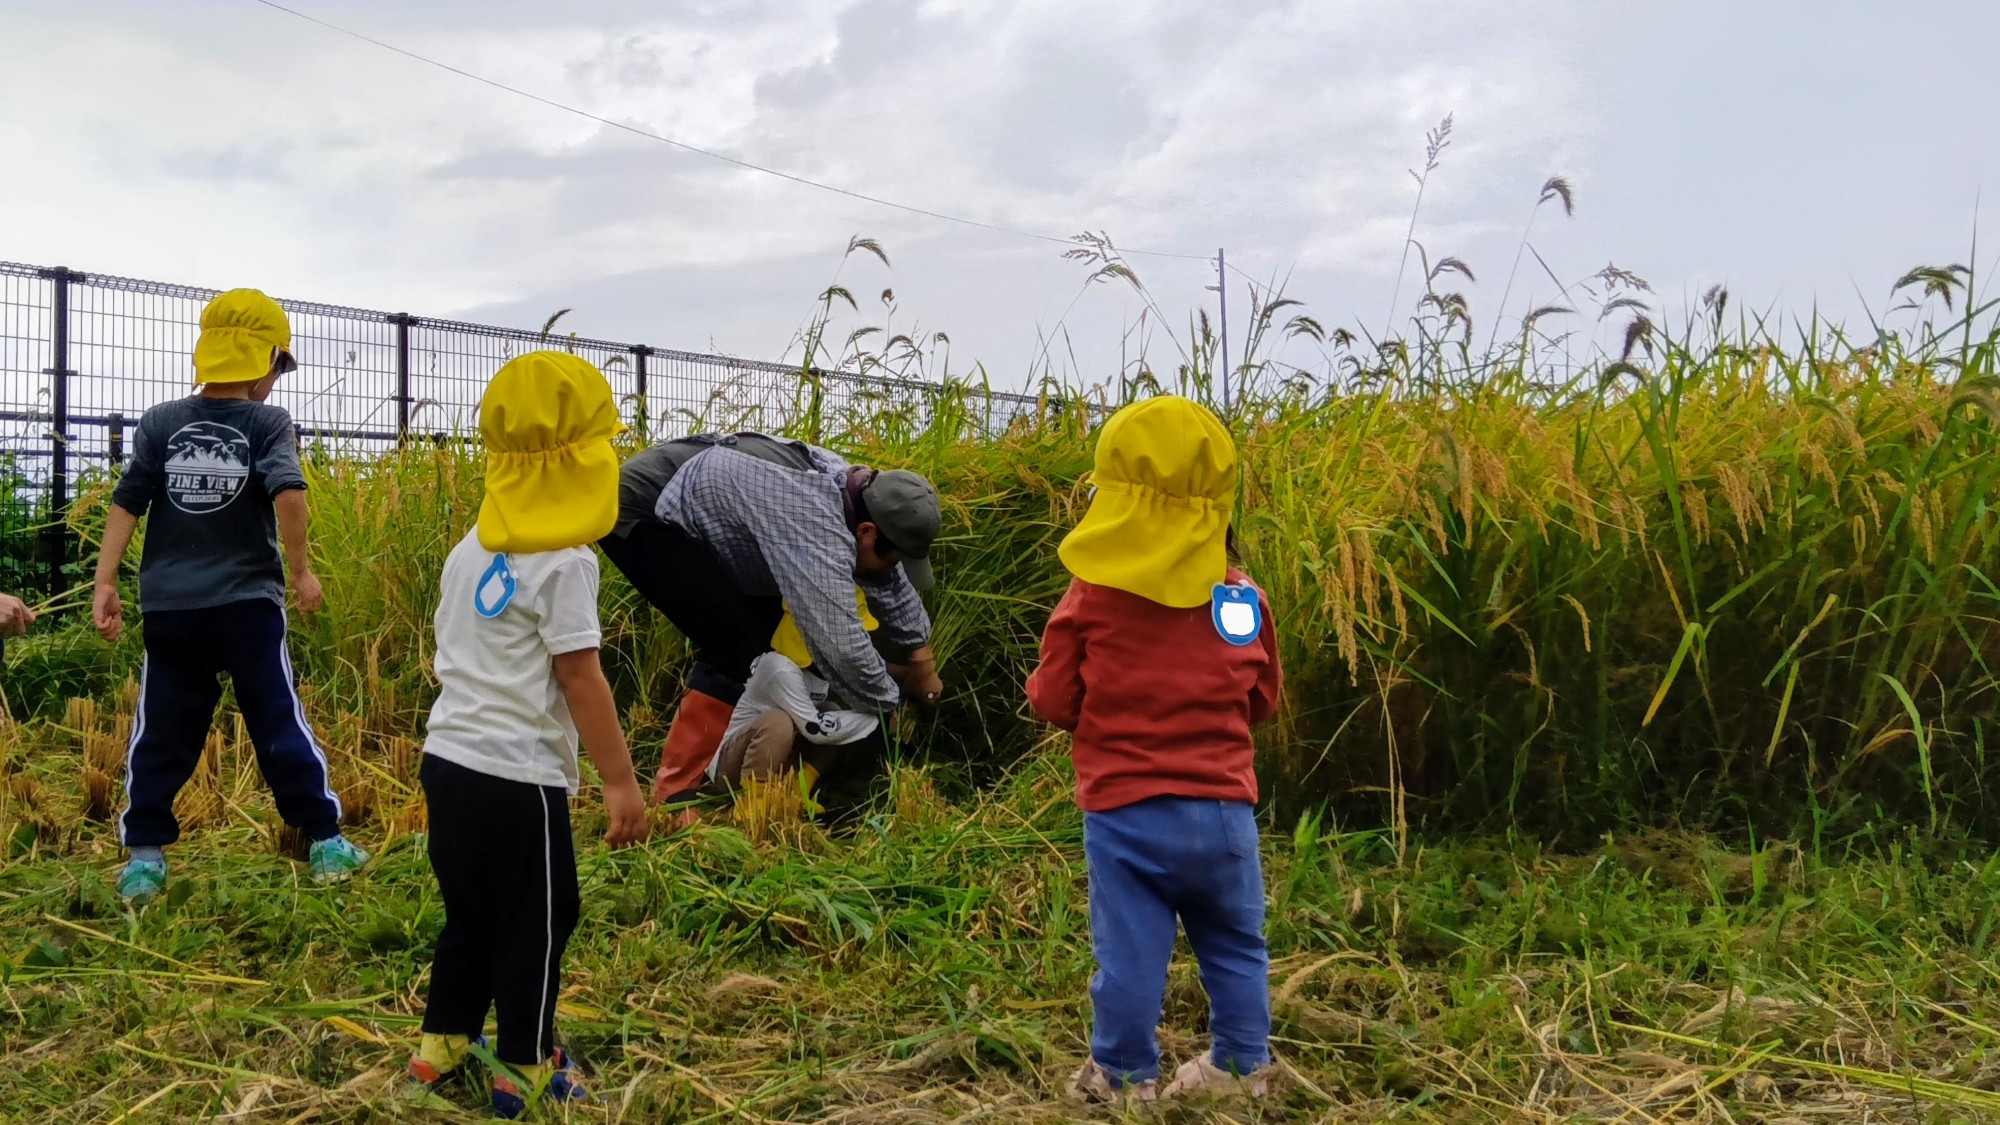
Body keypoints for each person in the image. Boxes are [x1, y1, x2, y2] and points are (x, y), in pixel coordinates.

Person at [406, 350, 649, 1119]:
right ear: (584, 462)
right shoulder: (565, 561)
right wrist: (619, 780)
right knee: (542, 921)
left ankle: (441, 1046)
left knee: (471, 911)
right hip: (518, 779)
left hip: (447, 762)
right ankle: (525, 1062)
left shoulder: (470, 548)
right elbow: (582, 679)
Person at [1025, 395, 1284, 1104]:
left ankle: (1121, 1075)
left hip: (1125, 813)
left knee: (1131, 954)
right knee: (1235, 943)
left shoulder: (1092, 597)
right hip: (1226, 814)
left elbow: (1052, 700)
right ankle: (1241, 1066)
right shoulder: (1241, 599)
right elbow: (1261, 700)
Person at [92, 288, 369, 902]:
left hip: (169, 608)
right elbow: (289, 495)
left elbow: (126, 501)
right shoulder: (267, 422)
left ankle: (143, 858)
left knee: (161, 725)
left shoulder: (161, 421)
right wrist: (300, 572)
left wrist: (105, 581)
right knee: (276, 715)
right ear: (267, 360)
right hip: (247, 605)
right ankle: (324, 841)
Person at [600, 431, 945, 820]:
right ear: (866, 533)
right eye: (894, 559)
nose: (895, 570)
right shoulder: (814, 521)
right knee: (737, 646)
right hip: (644, 507)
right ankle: (678, 793)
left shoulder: (857, 500)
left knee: (763, 636)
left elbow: (885, 578)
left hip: (715, 506)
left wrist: (921, 658)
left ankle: (759, 780)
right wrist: (889, 709)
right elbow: (840, 643)